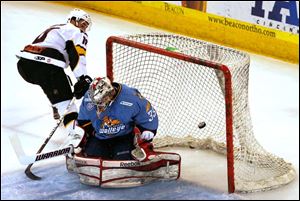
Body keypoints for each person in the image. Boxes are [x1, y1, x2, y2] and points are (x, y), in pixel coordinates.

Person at [16, 8, 93, 130]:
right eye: (82, 22)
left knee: (60, 83)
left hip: (24, 65)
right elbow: (77, 55)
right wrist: (82, 78)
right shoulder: (76, 32)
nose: (84, 27)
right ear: (73, 20)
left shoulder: (57, 27)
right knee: (67, 102)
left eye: (86, 25)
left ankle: (56, 105)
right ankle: (75, 134)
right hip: (45, 66)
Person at [71, 77, 159, 160]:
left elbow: (146, 112)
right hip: (99, 137)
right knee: (92, 157)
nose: (97, 107)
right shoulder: (90, 97)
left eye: (100, 102)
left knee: (122, 159)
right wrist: (81, 136)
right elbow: (84, 120)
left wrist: (148, 129)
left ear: (109, 95)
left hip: (123, 136)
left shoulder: (131, 97)